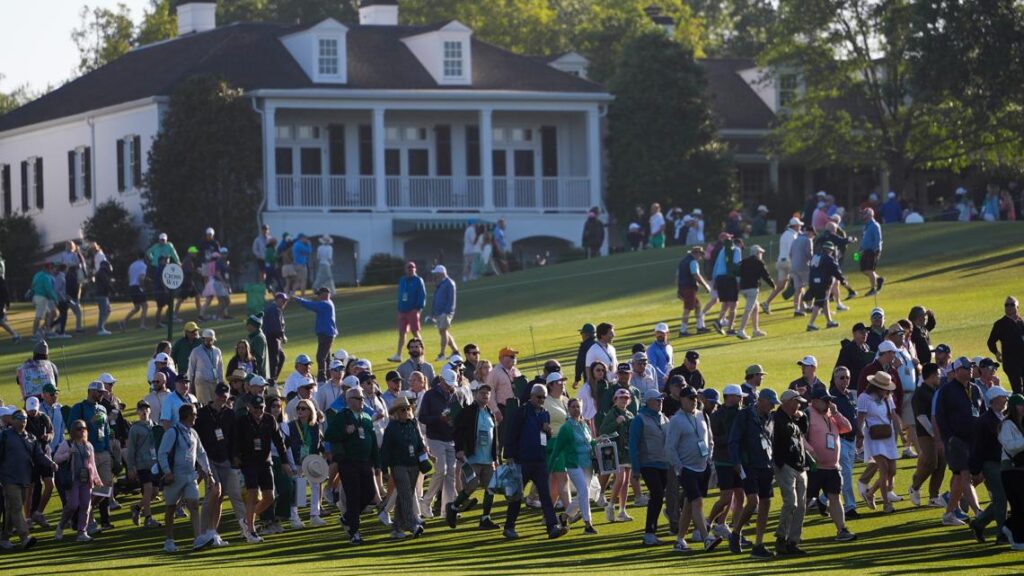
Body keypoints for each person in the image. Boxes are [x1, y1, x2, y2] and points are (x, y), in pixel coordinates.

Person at [502, 384, 567, 540]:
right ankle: (509, 527)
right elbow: (511, 434)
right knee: (517, 496)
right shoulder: (521, 412)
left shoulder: (545, 414)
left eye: (544, 397)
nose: (541, 400)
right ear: (531, 396)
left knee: (545, 495)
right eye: (539, 397)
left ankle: (552, 527)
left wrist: (548, 431)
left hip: (539, 460)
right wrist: (509, 456)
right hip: (522, 461)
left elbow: (545, 438)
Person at [664, 386, 718, 552]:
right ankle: (706, 538)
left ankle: (680, 540)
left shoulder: (702, 416)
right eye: (690, 398)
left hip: (703, 467)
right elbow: (670, 448)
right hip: (687, 469)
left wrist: (709, 458)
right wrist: (680, 468)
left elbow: (709, 439)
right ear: (682, 400)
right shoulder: (676, 420)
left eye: (695, 398)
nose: (693, 401)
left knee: (689, 504)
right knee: (697, 502)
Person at [728, 388, 780, 560]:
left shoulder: (769, 418)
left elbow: (771, 442)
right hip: (749, 465)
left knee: (765, 503)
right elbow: (734, 440)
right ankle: (735, 532)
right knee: (753, 501)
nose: (773, 407)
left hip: (766, 465)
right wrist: (736, 462)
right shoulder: (744, 416)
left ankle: (758, 544)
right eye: (771, 403)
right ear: (762, 401)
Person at [933, 357, 985, 526]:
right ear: (955, 372)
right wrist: (947, 438)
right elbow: (940, 417)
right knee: (965, 475)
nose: (969, 369)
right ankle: (978, 511)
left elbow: (982, 412)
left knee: (957, 479)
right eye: (965, 367)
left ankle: (948, 514)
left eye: (970, 366)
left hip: (974, 440)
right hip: (956, 440)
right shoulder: (946, 391)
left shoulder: (976, 389)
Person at [235, 395, 292, 543]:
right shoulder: (242, 421)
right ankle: (251, 531)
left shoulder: (269, 420)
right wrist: (235, 457)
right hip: (249, 462)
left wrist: (285, 462)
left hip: (265, 461)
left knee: (269, 496)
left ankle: (247, 521)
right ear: (250, 407)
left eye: (261, 408)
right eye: (256, 408)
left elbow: (279, 442)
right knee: (253, 493)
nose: (258, 410)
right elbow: (234, 441)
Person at [324, 388, 378, 544]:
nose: (362, 401)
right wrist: (344, 431)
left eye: (362, 398)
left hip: (365, 462)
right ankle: (354, 533)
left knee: (369, 495)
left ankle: (348, 517)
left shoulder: (366, 417)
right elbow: (329, 435)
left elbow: (373, 441)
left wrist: (377, 462)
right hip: (348, 463)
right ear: (349, 400)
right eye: (358, 398)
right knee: (353, 498)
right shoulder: (342, 416)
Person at [158, 404, 215, 552]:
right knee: (170, 508)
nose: (195, 417)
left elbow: (201, 453)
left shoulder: (193, 433)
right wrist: (167, 471)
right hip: (175, 476)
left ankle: (198, 538)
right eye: (194, 414)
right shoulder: (172, 432)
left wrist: (208, 472)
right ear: (187, 416)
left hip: (190, 475)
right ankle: (169, 540)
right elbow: (162, 453)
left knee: (194, 504)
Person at [195, 383, 246, 544]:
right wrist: (200, 464)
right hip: (208, 459)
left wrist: (234, 457)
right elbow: (197, 438)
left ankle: (216, 531)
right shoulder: (202, 414)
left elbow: (234, 437)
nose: (221, 399)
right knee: (213, 493)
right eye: (219, 396)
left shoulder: (230, 414)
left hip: (226, 459)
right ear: (214, 395)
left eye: (224, 397)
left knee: (226, 495)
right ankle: (202, 534)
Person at [805, 389, 856, 541]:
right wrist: (810, 451)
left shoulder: (831, 415)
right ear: (814, 400)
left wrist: (836, 413)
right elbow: (799, 436)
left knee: (835, 498)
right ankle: (789, 533)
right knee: (803, 501)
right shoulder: (807, 414)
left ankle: (842, 530)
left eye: (829, 400)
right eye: (825, 400)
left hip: (832, 467)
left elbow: (848, 428)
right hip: (814, 467)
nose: (828, 403)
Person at [452, 381, 501, 530]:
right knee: (471, 486)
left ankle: (485, 518)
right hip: (471, 458)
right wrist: (459, 449)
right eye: (482, 393)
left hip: (487, 459)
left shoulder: (490, 413)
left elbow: (495, 437)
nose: (485, 396)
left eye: (487, 393)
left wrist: (496, 457)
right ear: (475, 395)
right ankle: (453, 508)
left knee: (490, 487)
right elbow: (458, 431)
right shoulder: (467, 412)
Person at [68, 381, 114, 532]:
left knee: (106, 485)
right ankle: (90, 521)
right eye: (99, 392)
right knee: (88, 488)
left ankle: (86, 512)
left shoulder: (101, 408)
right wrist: (88, 423)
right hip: (86, 453)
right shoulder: (79, 408)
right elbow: (71, 428)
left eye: (103, 392)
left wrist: (108, 448)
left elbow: (106, 430)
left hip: (103, 451)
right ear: (90, 391)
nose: (102, 394)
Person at [548, 396, 597, 534]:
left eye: (578, 407)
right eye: (573, 407)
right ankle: (588, 524)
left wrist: (598, 441)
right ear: (568, 409)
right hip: (573, 464)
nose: (576, 409)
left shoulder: (584, 424)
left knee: (584, 493)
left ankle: (564, 517)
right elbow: (557, 449)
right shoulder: (566, 428)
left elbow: (589, 442)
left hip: (587, 464)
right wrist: (549, 469)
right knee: (584, 491)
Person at [379, 395, 426, 539]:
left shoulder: (413, 424)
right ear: (396, 412)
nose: (406, 412)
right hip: (399, 465)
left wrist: (424, 455)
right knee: (405, 494)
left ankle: (396, 528)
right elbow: (385, 449)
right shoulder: (391, 428)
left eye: (407, 409)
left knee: (404, 496)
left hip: (414, 464)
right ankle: (412, 525)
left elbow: (419, 442)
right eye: (402, 410)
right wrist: (385, 470)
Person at [419, 367, 462, 518]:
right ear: (441, 380)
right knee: (441, 470)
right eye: (448, 383)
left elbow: (458, 414)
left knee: (450, 473)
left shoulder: (455, 395)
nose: (450, 386)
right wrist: (439, 418)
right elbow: (422, 417)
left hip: (450, 439)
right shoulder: (430, 395)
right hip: (435, 438)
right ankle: (425, 502)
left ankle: (447, 509)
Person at [629, 388, 670, 546]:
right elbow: (633, 444)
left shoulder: (664, 418)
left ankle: (652, 532)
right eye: (657, 400)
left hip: (663, 463)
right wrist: (636, 468)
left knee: (658, 497)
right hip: (648, 463)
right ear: (649, 401)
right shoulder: (640, 419)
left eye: (661, 400)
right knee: (657, 494)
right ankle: (649, 533)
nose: (660, 402)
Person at [970, 386, 1011, 542]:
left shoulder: (1002, 417)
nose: (1006, 399)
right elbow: (977, 447)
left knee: (1002, 498)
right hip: (990, 464)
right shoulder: (985, 421)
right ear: (995, 400)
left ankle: (979, 523)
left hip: (1003, 463)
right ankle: (1002, 533)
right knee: (1001, 498)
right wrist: (976, 469)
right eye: (1003, 397)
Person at [857, 372, 901, 513]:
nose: (885, 391)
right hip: (874, 437)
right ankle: (887, 504)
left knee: (892, 471)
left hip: (888, 435)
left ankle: (870, 494)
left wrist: (901, 434)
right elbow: (860, 418)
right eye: (883, 388)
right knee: (883, 469)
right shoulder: (864, 398)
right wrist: (859, 436)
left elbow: (894, 416)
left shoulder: (887, 398)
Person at [706, 384, 744, 539]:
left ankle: (736, 531)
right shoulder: (717, 416)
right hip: (723, 461)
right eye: (738, 396)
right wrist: (731, 439)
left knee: (740, 496)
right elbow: (712, 438)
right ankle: (707, 523)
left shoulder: (742, 414)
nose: (741, 399)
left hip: (739, 461)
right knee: (726, 498)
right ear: (729, 397)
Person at [54, 419, 100, 542]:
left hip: (86, 480)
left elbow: (92, 464)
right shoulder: (67, 444)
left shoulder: (88, 445)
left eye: (84, 429)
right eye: (79, 429)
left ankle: (82, 531)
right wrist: (68, 454)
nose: (82, 431)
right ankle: (61, 526)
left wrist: (97, 478)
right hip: (73, 479)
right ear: (73, 431)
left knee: (86, 505)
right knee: (73, 505)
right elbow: (56, 458)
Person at [909, 363, 946, 508]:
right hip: (926, 434)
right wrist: (934, 433)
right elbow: (921, 416)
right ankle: (915, 487)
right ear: (931, 376)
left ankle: (934, 497)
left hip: (939, 434)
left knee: (941, 464)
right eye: (937, 374)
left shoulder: (935, 391)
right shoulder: (920, 393)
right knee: (931, 463)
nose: (939, 377)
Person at [286, 398, 326, 527]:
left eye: (303, 408)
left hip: (311, 461)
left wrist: (326, 454)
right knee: (299, 488)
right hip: (297, 460)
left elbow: (320, 443)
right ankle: (294, 517)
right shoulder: (291, 425)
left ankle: (315, 515)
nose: (300, 411)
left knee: (315, 487)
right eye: (298, 408)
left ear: (310, 411)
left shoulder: (315, 426)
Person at [829, 367, 861, 519]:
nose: (845, 381)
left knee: (842, 475)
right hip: (840, 440)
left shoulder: (849, 395)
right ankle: (850, 507)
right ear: (835, 379)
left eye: (847, 377)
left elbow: (854, 416)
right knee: (846, 474)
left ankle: (823, 500)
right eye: (841, 378)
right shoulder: (831, 397)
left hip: (852, 440)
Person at [126, 400, 160, 529]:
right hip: (142, 464)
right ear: (137, 412)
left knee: (155, 492)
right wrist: (131, 467)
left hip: (154, 463)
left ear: (150, 410)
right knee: (148, 490)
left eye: (146, 408)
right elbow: (131, 449)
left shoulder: (155, 425)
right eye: (141, 409)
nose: (144, 411)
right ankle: (148, 518)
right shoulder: (135, 429)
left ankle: (137, 507)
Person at [293, 287, 337, 382]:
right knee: (326, 357)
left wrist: (298, 299)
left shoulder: (325, 304)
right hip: (327, 334)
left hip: (326, 334)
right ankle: (329, 376)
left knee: (320, 357)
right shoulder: (328, 303)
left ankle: (322, 378)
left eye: (319, 294)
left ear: (324, 294)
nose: (318, 296)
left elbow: (311, 305)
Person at [998, 393, 1024, 549]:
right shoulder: (1006, 425)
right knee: (1019, 505)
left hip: (1020, 469)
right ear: (1014, 407)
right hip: (1010, 470)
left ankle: (1008, 527)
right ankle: (1018, 539)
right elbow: (1010, 446)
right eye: (1021, 405)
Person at [762, 218, 803, 314]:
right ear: (795, 226)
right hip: (789, 262)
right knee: (799, 284)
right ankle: (800, 307)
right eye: (799, 225)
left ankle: (766, 303)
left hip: (780, 262)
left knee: (781, 286)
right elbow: (792, 250)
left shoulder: (784, 234)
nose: (800, 227)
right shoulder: (793, 235)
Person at [389, 262, 426, 363]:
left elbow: (422, 295)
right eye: (408, 268)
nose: (410, 270)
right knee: (402, 332)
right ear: (405, 269)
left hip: (413, 310)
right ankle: (398, 355)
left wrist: (418, 308)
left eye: (412, 268)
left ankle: (421, 353)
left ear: (415, 269)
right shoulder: (402, 280)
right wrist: (399, 307)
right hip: (403, 310)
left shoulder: (418, 280)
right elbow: (400, 294)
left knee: (415, 332)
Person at [736, 245, 775, 340]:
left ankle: (756, 330)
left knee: (756, 307)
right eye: (761, 253)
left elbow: (738, 274)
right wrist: (773, 285)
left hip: (743, 288)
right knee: (748, 309)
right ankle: (741, 330)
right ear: (757, 253)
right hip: (752, 288)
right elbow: (766, 275)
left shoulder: (744, 262)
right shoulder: (759, 262)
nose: (761, 255)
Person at [988, 296, 1024, 394]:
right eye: (1006, 305)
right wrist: (996, 353)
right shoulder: (1000, 324)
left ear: (1017, 307)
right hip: (1011, 362)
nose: (1009, 307)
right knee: (1018, 389)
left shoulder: (1022, 322)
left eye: (1012, 304)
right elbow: (991, 342)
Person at [805, 242, 843, 331]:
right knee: (818, 303)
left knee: (825, 302)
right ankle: (810, 324)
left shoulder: (815, 256)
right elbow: (835, 270)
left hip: (813, 282)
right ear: (830, 250)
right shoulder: (828, 258)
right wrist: (843, 280)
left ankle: (829, 321)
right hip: (822, 284)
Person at [710, 235, 742, 335]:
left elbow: (716, 266)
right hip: (730, 279)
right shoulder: (736, 250)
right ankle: (730, 329)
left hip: (720, 279)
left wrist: (714, 280)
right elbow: (736, 266)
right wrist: (738, 281)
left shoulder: (722, 251)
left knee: (725, 303)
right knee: (733, 304)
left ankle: (719, 321)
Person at [677, 246, 711, 336]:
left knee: (698, 306)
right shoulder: (693, 262)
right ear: (697, 253)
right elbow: (696, 275)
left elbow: (677, 276)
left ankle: (700, 327)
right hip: (689, 287)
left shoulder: (683, 261)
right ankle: (683, 330)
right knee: (687, 309)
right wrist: (706, 286)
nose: (700, 257)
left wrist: (679, 290)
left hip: (683, 287)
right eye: (700, 254)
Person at [188, 329, 224, 405]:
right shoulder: (196, 351)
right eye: (208, 340)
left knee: (216, 405)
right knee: (205, 405)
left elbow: (220, 369)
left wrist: (221, 383)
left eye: (211, 340)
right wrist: (190, 386)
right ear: (203, 339)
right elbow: (191, 370)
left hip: (215, 382)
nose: (210, 342)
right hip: (202, 383)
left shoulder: (217, 351)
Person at [430, 265, 458, 361]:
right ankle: (455, 351)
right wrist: (434, 313)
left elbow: (451, 299)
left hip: (445, 312)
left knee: (443, 331)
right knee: (443, 332)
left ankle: (442, 354)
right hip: (439, 312)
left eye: (436, 274)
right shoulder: (441, 283)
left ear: (441, 273)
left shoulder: (449, 283)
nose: (435, 276)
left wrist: (447, 312)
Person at [262, 293, 289, 383]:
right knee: (274, 360)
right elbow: (276, 327)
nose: (285, 303)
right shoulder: (274, 309)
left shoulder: (273, 308)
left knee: (280, 357)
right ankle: (271, 381)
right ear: (277, 300)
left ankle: (272, 379)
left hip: (270, 337)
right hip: (272, 338)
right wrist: (283, 336)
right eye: (283, 300)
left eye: (285, 301)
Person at [835, 323, 873, 387]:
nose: (865, 334)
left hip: (864, 384)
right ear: (854, 334)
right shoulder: (847, 350)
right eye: (861, 332)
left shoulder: (866, 347)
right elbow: (840, 369)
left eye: (866, 332)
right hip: (851, 386)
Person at [121, 252, 150, 331]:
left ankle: (124, 321)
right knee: (145, 306)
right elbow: (141, 277)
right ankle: (142, 325)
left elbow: (130, 276)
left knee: (137, 307)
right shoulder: (143, 265)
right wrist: (142, 287)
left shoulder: (132, 265)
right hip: (137, 287)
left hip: (131, 287)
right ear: (144, 258)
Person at [30, 262, 58, 340]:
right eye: (51, 268)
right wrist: (55, 298)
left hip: (36, 296)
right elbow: (49, 290)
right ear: (48, 268)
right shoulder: (46, 277)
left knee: (49, 314)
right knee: (38, 317)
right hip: (41, 297)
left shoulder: (37, 274)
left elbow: (32, 285)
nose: (52, 270)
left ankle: (47, 331)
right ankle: (35, 334)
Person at [860, 207, 885, 295]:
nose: (862, 216)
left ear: (870, 215)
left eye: (864, 214)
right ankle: (879, 279)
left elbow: (878, 239)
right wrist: (860, 249)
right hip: (865, 251)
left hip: (873, 251)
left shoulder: (875, 225)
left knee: (869, 270)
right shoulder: (865, 226)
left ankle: (873, 289)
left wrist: (876, 249)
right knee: (864, 270)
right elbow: (864, 239)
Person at [647, 323, 673, 388]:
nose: (660, 335)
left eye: (662, 333)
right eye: (658, 332)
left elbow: (671, 364)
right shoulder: (651, 349)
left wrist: (671, 376)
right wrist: (664, 377)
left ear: (668, 333)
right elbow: (653, 366)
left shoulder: (669, 347)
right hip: (657, 383)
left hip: (670, 382)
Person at [573, 323, 598, 388]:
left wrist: (577, 380)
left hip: (589, 377)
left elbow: (580, 363)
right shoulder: (599, 344)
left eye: (582, 333)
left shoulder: (585, 346)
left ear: (586, 334)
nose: (581, 335)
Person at [245, 314, 269, 378]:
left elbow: (258, 357)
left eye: (248, 324)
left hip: (259, 374)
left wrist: (245, 356)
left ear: (254, 325)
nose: (247, 327)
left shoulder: (258, 338)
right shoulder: (256, 336)